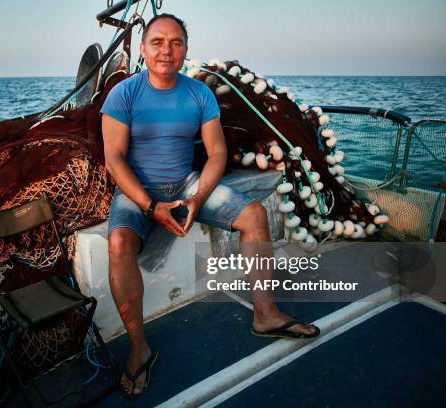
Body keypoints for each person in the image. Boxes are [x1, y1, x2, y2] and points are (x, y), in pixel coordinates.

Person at [100, 13, 320, 398]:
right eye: (157, 41)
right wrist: (152, 207)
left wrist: (197, 197)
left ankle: (265, 314)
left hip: (187, 184)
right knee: (118, 244)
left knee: (253, 215)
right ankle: (139, 349)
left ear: (186, 48)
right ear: (143, 48)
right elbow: (114, 160)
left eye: (176, 42)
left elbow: (217, 153)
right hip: (139, 190)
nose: (166, 49)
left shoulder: (198, 94)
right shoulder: (124, 94)